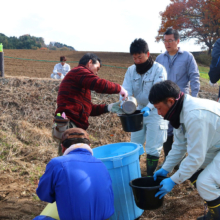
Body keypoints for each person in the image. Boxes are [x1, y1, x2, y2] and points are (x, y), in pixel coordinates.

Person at [149, 80, 220, 220]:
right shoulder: (179, 111)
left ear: (170, 101)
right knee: (196, 171)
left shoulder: (195, 116)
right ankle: (215, 203)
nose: (158, 113)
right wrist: (165, 168)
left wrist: (173, 181)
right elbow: (180, 145)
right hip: (216, 144)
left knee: (205, 181)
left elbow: (196, 158)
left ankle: (216, 216)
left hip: (216, 146)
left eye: (159, 108)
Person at [53, 53, 127, 155]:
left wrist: (108, 107)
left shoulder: (81, 80)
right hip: (70, 124)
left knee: (70, 159)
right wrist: (119, 88)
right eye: (97, 68)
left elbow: (88, 109)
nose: (96, 73)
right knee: (70, 161)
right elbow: (98, 83)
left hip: (73, 124)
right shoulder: (79, 71)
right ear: (90, 62)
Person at [36, 128, 114, 220]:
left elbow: (44, 196)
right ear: (89, 145)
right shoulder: (101, 164)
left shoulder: (57, 164)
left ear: (63, 147)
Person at [121, 38, 168, 176]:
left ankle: (150, 176)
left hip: (157, 111)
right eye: (134, 57)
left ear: (147, 54)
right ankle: (134, 173)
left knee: (153, 146)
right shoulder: (131, 70)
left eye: (139, 57)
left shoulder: (159, 70)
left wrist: (149, 107)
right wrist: (125, 103)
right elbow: (126, 89)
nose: (137, 60)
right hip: (138, 110)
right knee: (135, 144)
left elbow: (159, 93)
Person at [156, 28, 200, 165]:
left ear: (177, 41)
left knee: (182, 131)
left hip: (182, 102)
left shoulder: (187, 57)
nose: (167, 44)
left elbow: (194, 78)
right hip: (165, 102)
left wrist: (194, 98)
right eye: (165, 41)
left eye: (170, 41)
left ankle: (183, 162)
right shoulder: (159, 58)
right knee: (166, 131)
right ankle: (169, 161)